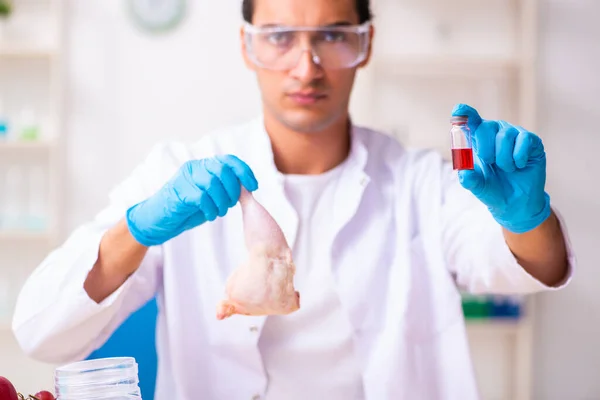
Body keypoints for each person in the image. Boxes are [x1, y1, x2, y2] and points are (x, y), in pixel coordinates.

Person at [12, 0, 574, 399]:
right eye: (279, 36)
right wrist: (133, 231)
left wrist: (525, 215)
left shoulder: (421, 182)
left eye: (333, 35)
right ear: (247, 46)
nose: (306, 67)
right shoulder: (175, 173)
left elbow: (527, 266)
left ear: (365, 44)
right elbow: (41, 332)